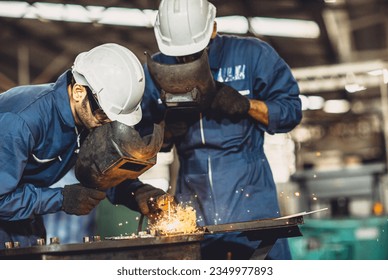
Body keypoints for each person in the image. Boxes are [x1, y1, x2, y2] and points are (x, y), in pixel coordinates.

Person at [141, 0, 302, 259]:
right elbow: (140, 140)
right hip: (192, 212)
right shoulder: (157, 70)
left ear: (213, 28)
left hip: (252, 207)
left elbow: (291, 111)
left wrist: (246, 105)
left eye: (194, 50)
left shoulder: (252, 55)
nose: (185, 59)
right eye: (178, 53)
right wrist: (166, 130)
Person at [0, 43, 169, 249]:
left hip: (22, 220)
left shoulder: (88, 118)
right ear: (79, 92)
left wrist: (137, 193)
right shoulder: (20, 122)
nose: (107, 123)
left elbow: (99, 174)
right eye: (105, 114)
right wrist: (62, 198)